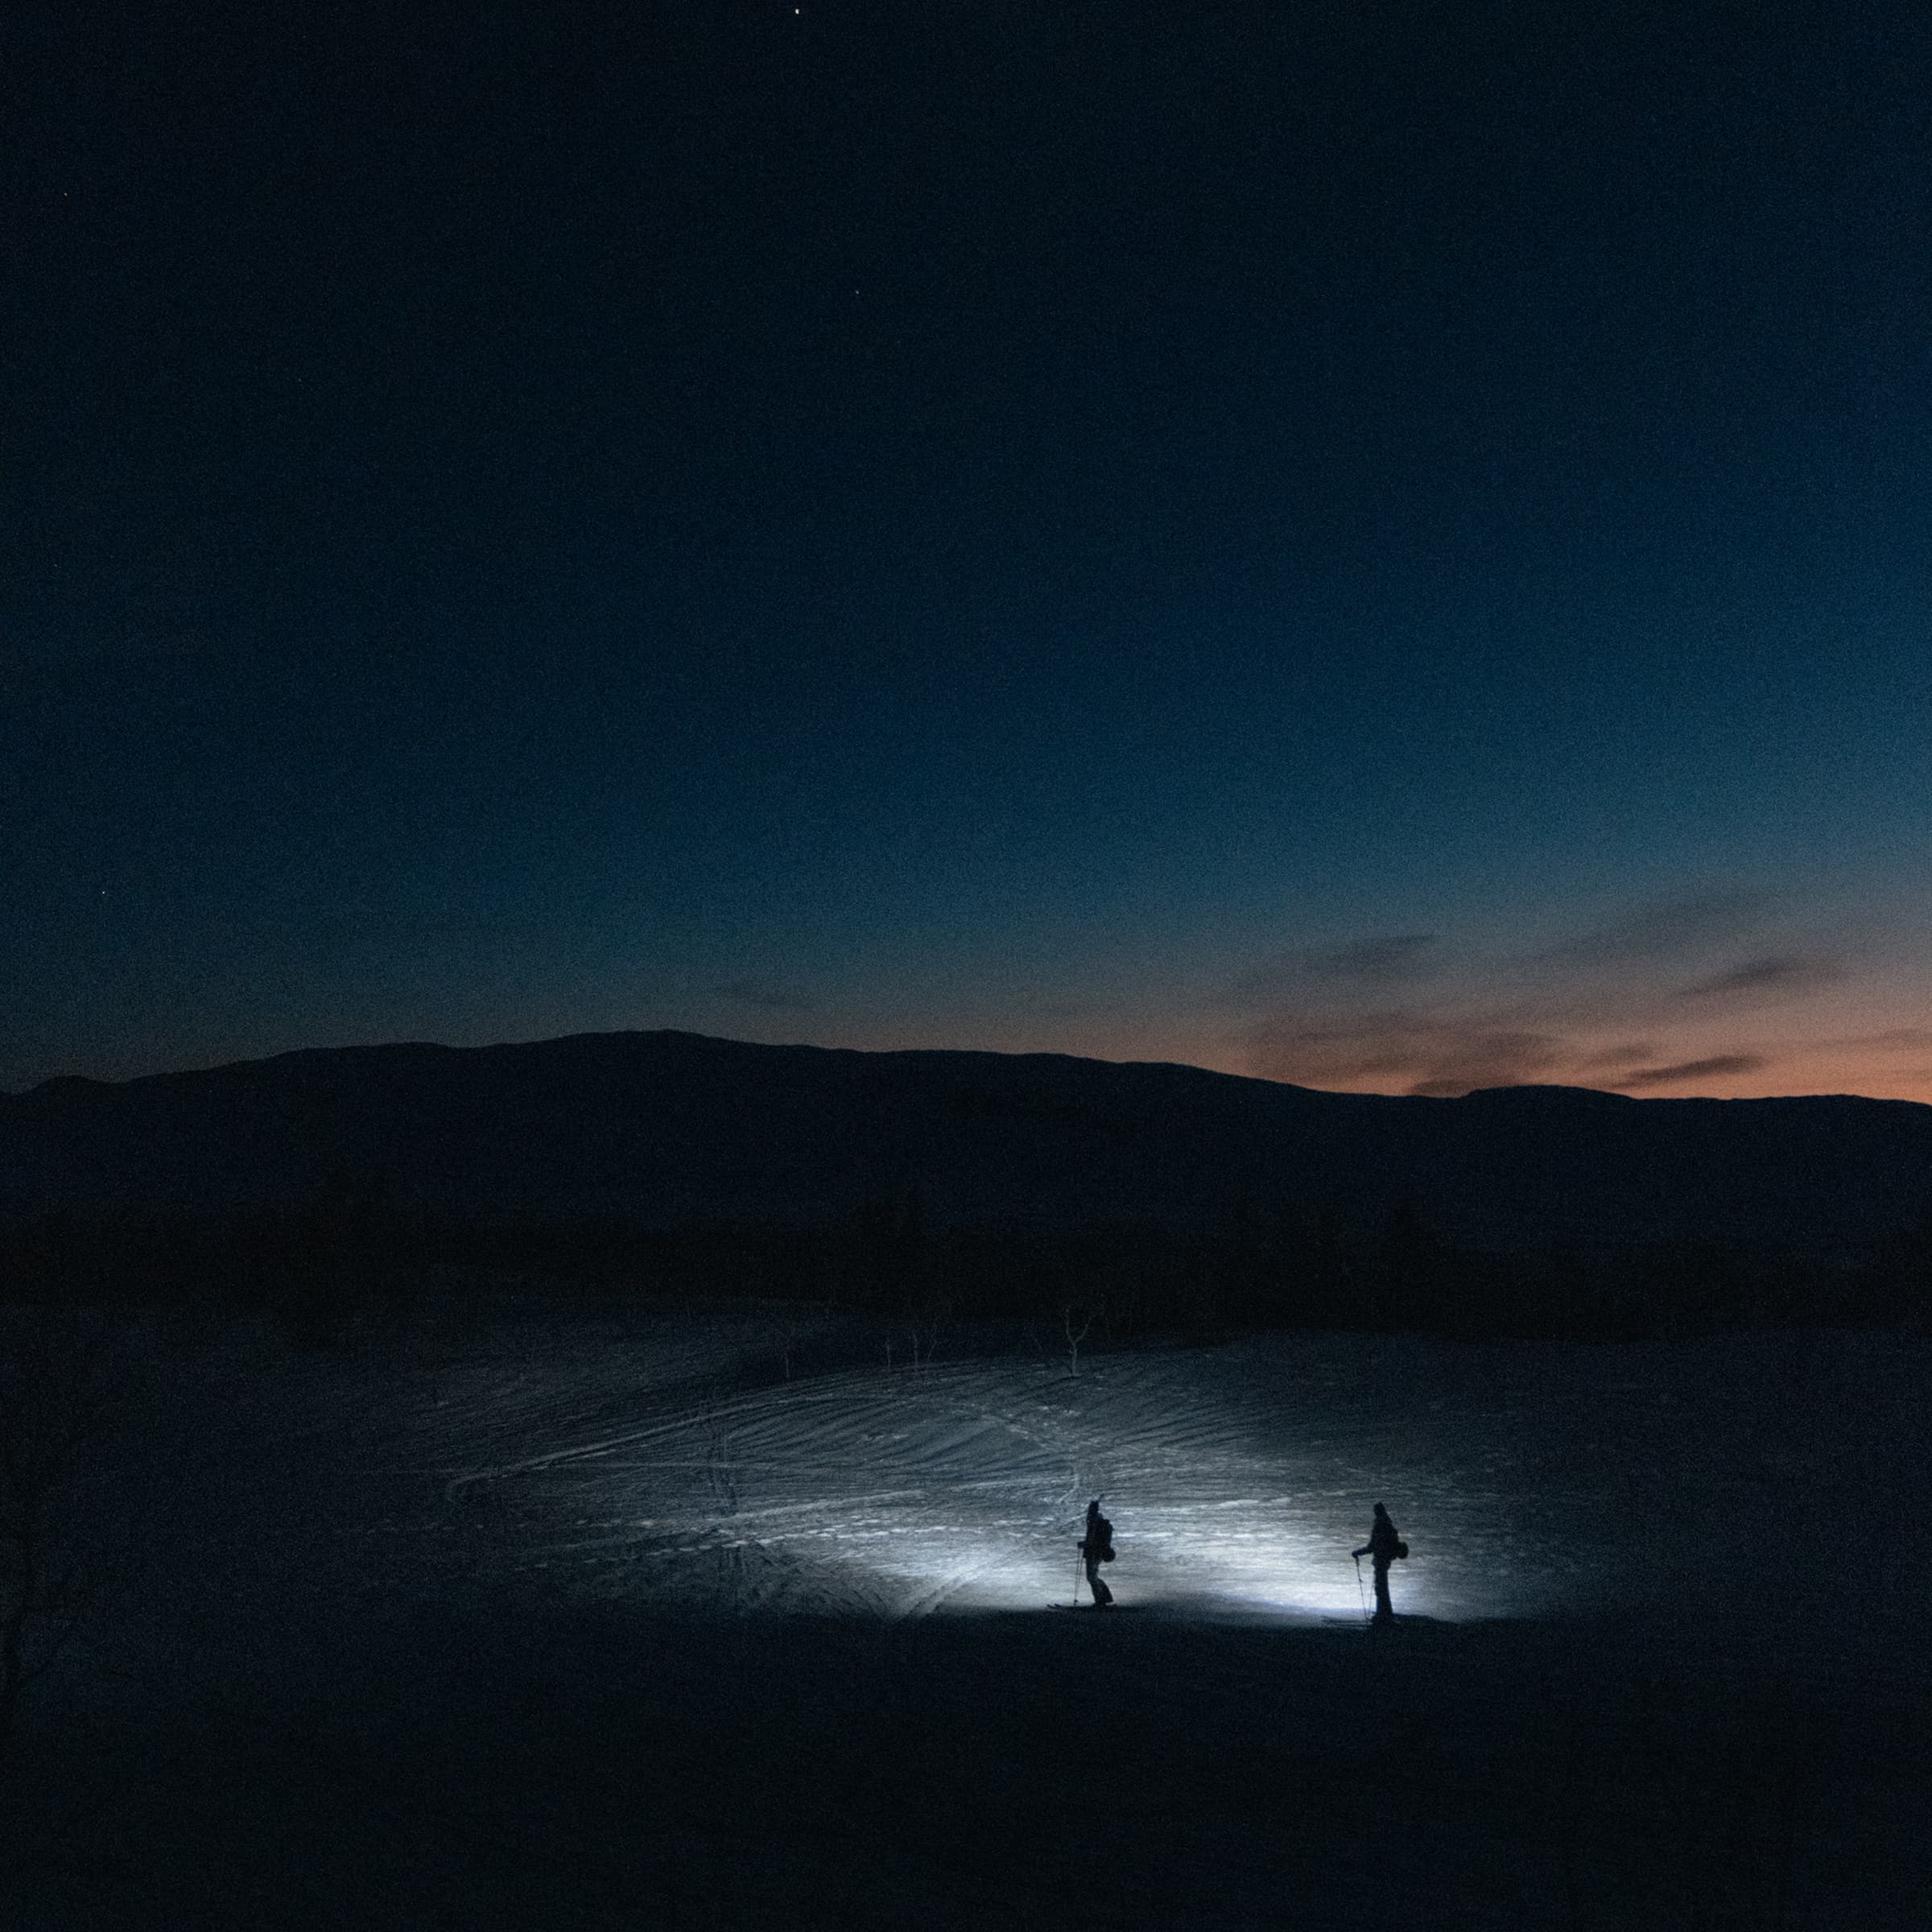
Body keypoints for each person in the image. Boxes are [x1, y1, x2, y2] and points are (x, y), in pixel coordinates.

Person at [1352, 1501, 1406, 1623]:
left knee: (1380, 1588)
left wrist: (1357, 1553)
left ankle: (1383, 1615)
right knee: (1382, 1587)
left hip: (1381, 1560)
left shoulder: (1379, 1525)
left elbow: (1372, 1546)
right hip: (1385, 1560)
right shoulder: (1387, 1523)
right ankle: (1385, 1612)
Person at [1080, 1497, 1115, 1608]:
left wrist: (1084, 1545)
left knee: (1091, 1577)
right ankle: (1104, 1598)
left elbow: (1093, 1541)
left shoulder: (1094, 1524)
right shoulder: (1101, 1525)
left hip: (1093, 1554)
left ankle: (1101, 1601)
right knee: (1093, 1576)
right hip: (1097, 1554)